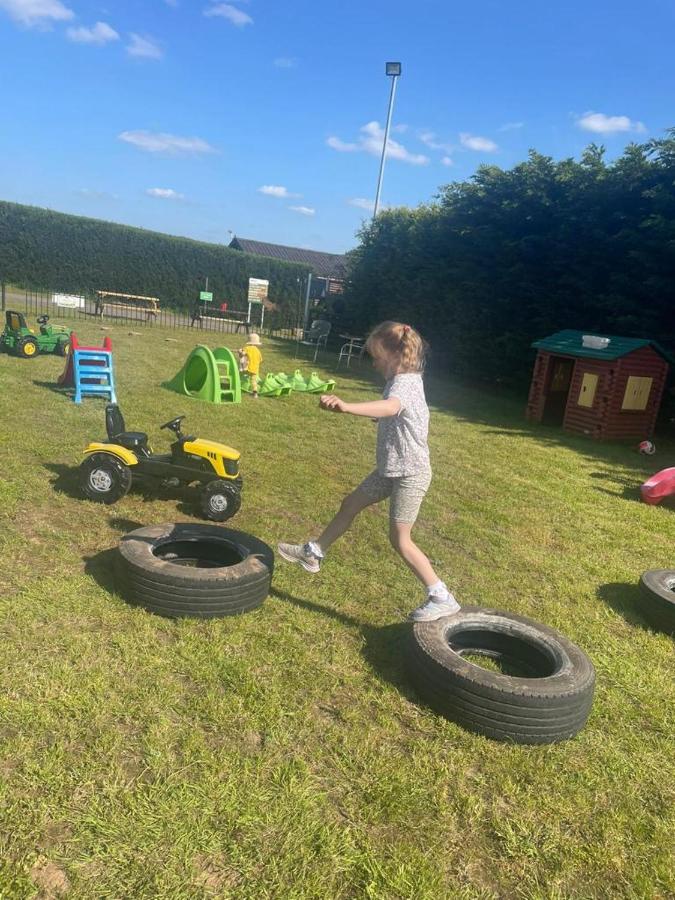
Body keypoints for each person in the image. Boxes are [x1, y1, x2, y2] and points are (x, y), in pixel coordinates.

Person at [277, 320, 461, 622]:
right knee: (350, 504)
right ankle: (314, 553)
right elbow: (397, 414)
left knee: (400, 539)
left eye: (376, 356)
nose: (373, 362)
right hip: (389, 470)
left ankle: (441, 595)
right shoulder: (402, 379)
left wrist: (347, 407)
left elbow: (391, 407)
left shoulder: (404, 383)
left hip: (409, 473)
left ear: (394, 354)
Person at [240, 332, 262, 399]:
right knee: (253, 381)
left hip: (247, 367)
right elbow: (260, 360)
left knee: (239, 374)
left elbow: (242, 354)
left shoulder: (247, 348)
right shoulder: (258, 351)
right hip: (255, 369)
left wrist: (240, 351)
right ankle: (255, 394)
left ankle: (236, 384)